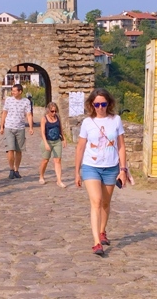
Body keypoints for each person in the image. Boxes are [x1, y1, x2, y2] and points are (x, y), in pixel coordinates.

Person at [74, 88, 128, 256]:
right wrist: (77, 172)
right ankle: (97, 242)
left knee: (105, 203)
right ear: (92, 105)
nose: (100, 108)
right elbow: (80, 148)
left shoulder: (116, 120)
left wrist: (123, 169)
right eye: (97, 104)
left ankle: (102, 231)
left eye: (103, 104)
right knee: (96, 202)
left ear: (108, 104)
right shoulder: (87, 123)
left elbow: (121, 146)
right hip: (91, 166)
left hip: (111, 167)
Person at [0, 83, 33, 179]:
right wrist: (1, 126)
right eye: (12, 91)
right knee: (10, 149)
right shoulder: (8, 100)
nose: (12, 92)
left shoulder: (26, 101)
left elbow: (29, 114)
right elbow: (4, 113)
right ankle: (11, 169)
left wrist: (31, 127)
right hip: (9, 127)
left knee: (19, 150)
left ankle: (16, 169)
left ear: (20, 92)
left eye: (14, 91)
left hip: (20, 128)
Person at [38, 102, 67, 187]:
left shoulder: (57, 117)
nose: (54, 113)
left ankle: (59, 180)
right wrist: (46, 143)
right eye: (52, 111)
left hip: (57, 141)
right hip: (47, 141)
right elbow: (42, 132)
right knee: (45, 160)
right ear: (48, 110)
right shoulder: (44, 119)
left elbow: (61, 129)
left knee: (58, 160)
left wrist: (64, 139)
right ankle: (41, 176)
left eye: (55, 111)